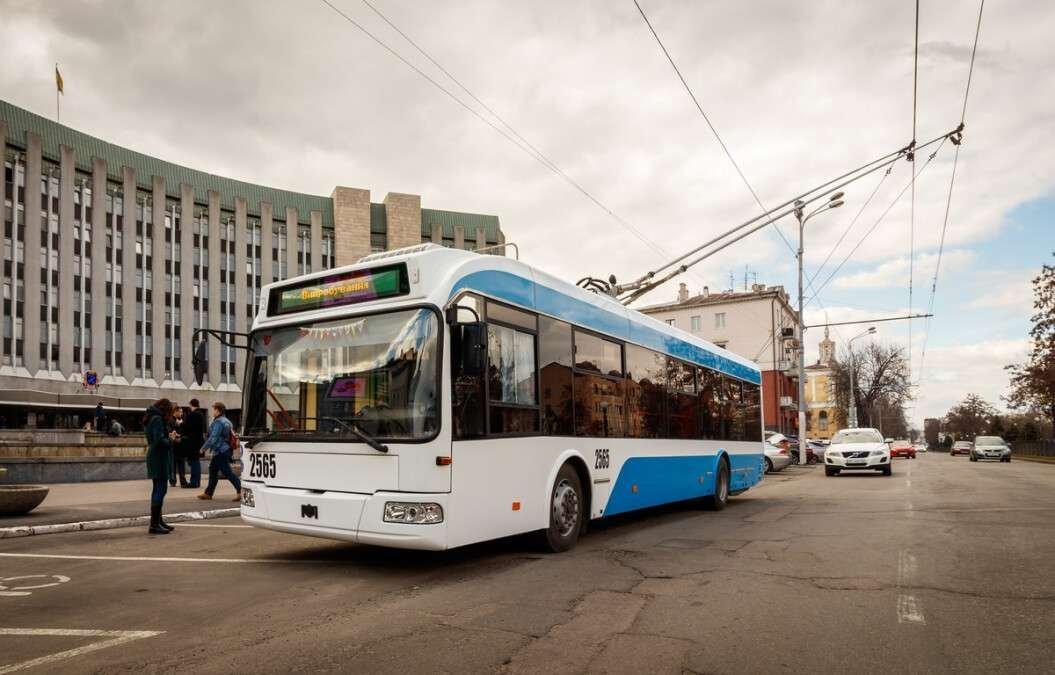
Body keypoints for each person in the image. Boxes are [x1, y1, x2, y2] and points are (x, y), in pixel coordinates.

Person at [144, 399, 180, 535]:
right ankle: (154, 525)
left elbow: (153, 438)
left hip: (154, 455)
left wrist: (168, 437)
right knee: (161, 489)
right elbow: (159, 440)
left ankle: (158, 521)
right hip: (159, 457)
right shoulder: (158, 419)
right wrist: (171, 439)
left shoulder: (152, 417)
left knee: (157, 489)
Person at [197, 402, 241, 502]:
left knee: (227, 472)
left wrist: (203, 448)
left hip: (221, 450)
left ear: (218, 410)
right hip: (225, 449)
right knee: (213, 470)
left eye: (214, 409)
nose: (213, 412)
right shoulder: (228, 421)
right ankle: (208, 493)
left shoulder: (219, 422)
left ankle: (240, 489)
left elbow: (213, 438)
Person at [181, 399, 206, 489]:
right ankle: (197, 482)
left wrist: (181, 424)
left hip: (192, 442)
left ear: (191, 405)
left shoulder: (193, 414)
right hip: (198, 441)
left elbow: (187, 427)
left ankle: (194, 482)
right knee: (196, 461)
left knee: (193, 462)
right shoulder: (201, 414)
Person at [169, 406, 185, 487]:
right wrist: (177, 426)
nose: (181, 414)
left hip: (181, 445)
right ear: (175, 412)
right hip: (173, 445)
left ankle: (183, 480)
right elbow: (170, 432)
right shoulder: (170, 420)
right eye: (180, 412)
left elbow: (184, 432)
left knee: (181, 463)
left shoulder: (182, 421)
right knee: (173, 463)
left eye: (182, 412)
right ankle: (173, 480)